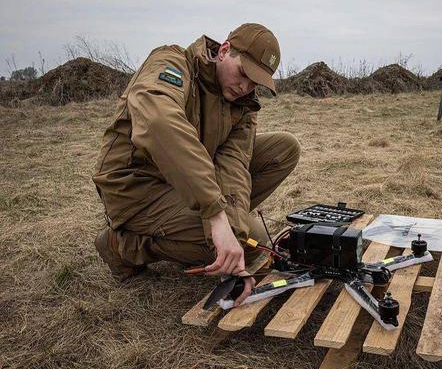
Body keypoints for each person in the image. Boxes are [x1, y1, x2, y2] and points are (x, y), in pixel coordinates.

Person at [92, 23, 300, 306]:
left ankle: (201, 233)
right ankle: (125, 246)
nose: (245, 87)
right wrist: (215, 215)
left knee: (283, 149)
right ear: (224, 51)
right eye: (243, 74)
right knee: (255, 238)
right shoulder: (171, 62)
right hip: (136, 187)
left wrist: (234, 234)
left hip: (185, 181)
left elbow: (234, 167)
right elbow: (158, 123)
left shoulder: (242, 105)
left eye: (255, 83)